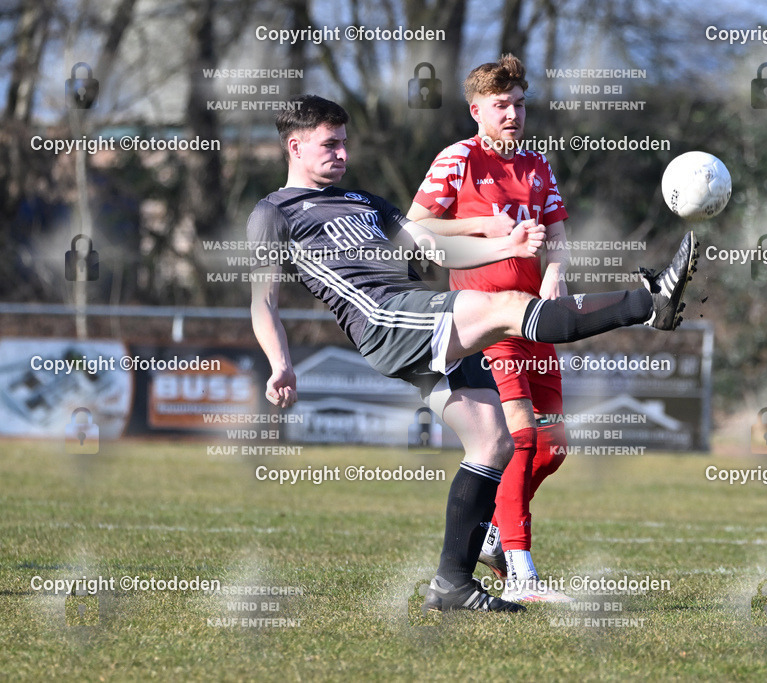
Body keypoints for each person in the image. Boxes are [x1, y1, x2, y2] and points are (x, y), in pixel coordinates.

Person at [247, 94, 697, 614]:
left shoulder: (365, 202)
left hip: (415, 313)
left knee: (493, 443)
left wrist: (502, 247)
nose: (342, 153)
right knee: (508, 308)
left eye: (345, 143)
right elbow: (264, 301)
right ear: (295, 145)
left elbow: (435, 248)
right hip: (385, 318)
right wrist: (281, 364)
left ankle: (452, 585)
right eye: (330, 144)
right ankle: (647, 304)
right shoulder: (272, 212)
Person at [408, 54, 574, 603]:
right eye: (501, 105)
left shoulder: (537, 163)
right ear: (476, 109)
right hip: (484, 320)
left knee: (551, 447)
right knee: (520, 436)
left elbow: (557, 232)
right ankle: (520, 569)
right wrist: (483, 225)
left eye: (520, 104)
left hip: (535, 317)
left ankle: (491, 532)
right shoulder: (458, 159)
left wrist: (555, 274)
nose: (513, 115)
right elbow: (416, 224)